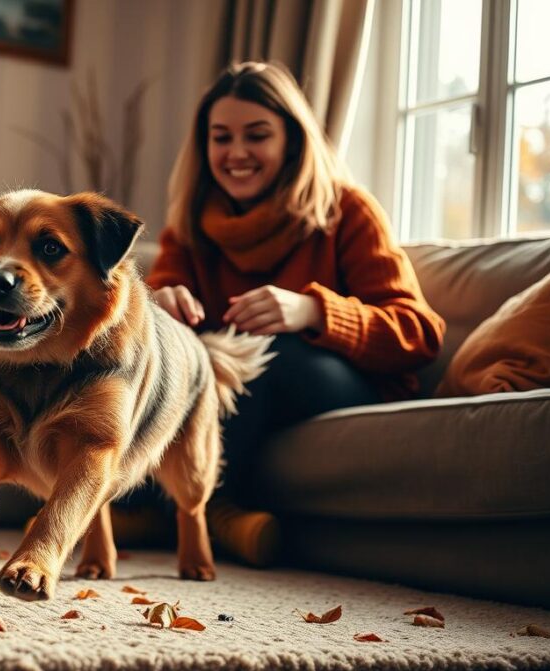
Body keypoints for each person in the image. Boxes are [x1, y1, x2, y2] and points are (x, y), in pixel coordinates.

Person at [144, 61, 445, 567]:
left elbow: (419, 333)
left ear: (292, 140)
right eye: (221, 138)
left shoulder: (348, 211)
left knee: (263, 351)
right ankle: (176, 511)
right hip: (238, 395)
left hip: (337, 384)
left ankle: (197, 508)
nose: (236, 153)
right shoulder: (191, 227)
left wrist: (313, 311)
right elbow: (148, 327)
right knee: (162, 363)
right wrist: (158, 308)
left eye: (256, 135)